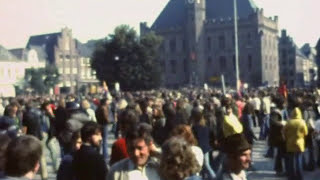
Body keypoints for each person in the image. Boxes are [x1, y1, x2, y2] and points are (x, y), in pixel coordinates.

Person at [284, 107, 308, 180]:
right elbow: (306, 133)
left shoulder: (289, 122)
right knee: (299, 160)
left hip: (290, 143)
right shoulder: (302, 122)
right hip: (299, 143)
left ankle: (291, 176)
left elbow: (284, 132)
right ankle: (299, 176)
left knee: (291, 161)